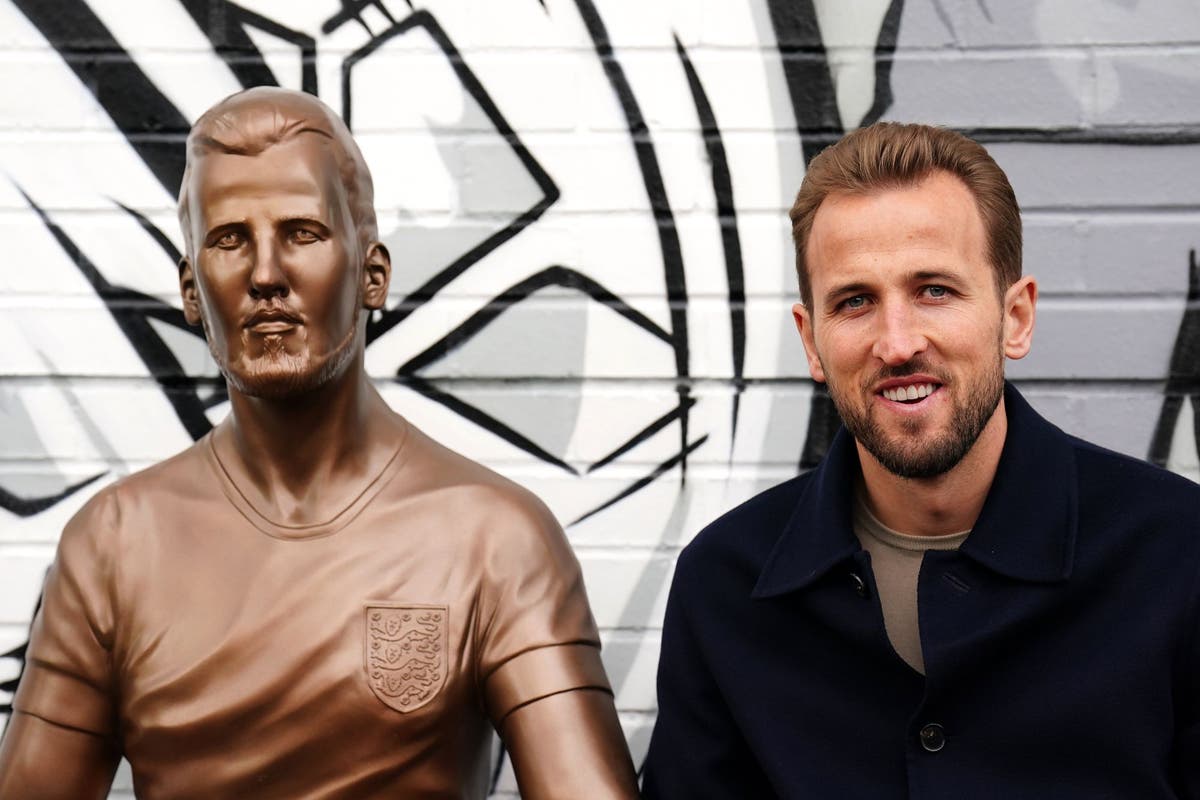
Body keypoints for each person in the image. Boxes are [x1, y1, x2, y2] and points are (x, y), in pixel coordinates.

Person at [0, 87, 638, 799]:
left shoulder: (496, 540)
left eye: (302, 233)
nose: (265, 274)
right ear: (191, 291)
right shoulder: (113, 547)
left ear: (372, 274)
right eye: (229, 239)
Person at [640, 122, 1200, 798]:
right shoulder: (726, 583)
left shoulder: (1178, 553)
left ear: (1015, 317)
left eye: (934, 290)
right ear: (812, 342)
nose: (898, 343)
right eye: (855, 302)